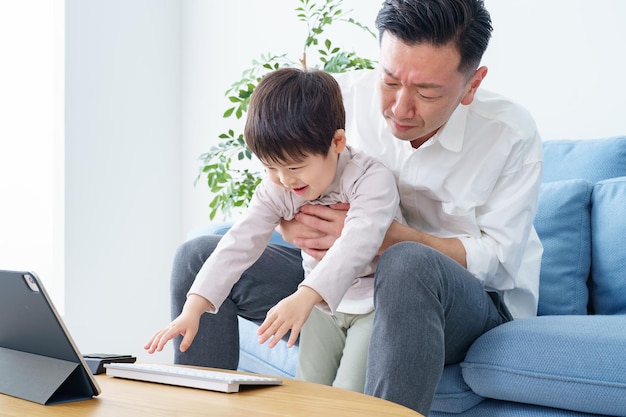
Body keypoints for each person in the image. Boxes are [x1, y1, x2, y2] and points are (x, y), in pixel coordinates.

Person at [161, 0, 544, 415]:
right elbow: (279, 187)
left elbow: (501, 263)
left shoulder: (510, 135)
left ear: (472, 84)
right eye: (391, 80)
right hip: (343, 280)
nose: (400, 109)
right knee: (197, 254)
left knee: (406, 262)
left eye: (427, 92)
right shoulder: (341, 99)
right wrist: (295, 226)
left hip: (456, 301)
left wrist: (393, 238)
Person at [145, 67, 402, 393]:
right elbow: (239, 243)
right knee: (307, 395)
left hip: (372, 305)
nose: (284, 179)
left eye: (294, 167)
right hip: (323, 310)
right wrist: (193, 308)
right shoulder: (278, 186)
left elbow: (358, 244)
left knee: (348, 396)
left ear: (337, 142)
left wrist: (303, 296)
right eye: (270, 167)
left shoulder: (371, 179)